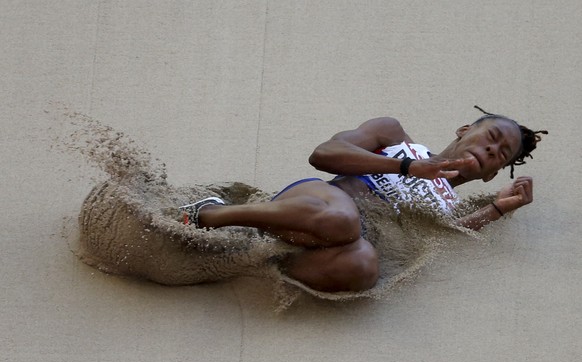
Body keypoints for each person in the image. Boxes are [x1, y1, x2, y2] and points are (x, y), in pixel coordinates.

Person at [179, 106, 547, 293]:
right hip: (321, 201)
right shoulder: (395, 135)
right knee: (344, 219)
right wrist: (405, 166)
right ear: (465, 130)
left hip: (330, 245)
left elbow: (445, 238)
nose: (491, 149)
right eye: (491, 136)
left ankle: (254, 265)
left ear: (491, 174)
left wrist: (498, 209)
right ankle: (210, 214)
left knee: (365, 267)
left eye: (500, 154)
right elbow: (324, 154)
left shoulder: (448, 207)